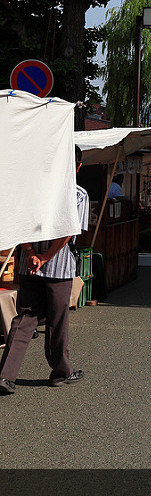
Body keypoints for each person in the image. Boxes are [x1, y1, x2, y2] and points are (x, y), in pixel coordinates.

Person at [0, 146, 86, 395]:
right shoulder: (78, 194)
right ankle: (61, 372)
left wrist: (30, 253)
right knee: (58, 321)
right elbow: (69, 232)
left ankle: (5, 375)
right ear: (78, 167)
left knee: (25, 317)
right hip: (57, 268)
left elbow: (19, 224)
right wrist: (45, 257)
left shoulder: (32, 191)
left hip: (31, 266)